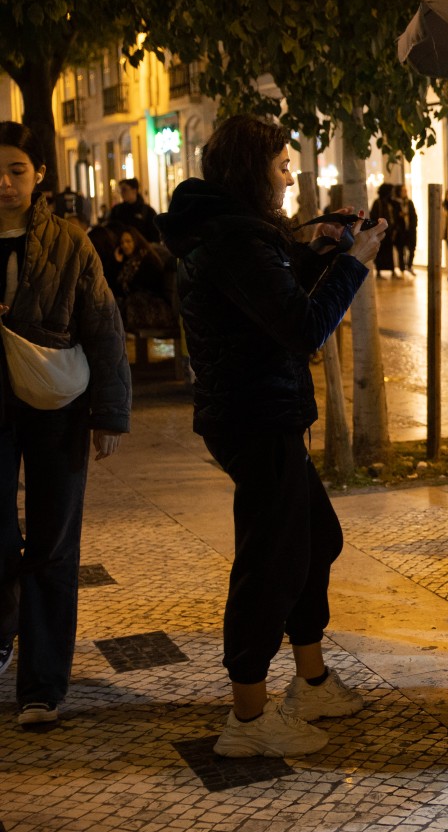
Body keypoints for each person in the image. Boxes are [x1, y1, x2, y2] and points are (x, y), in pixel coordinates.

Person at [158, 115, 386, 758]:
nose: (291, 177)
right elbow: (302, 325)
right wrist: (354, 264)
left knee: (316, 539)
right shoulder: (235, 238)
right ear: (251, 170)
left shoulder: (230, 229)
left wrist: (317, 248)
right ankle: (249, 718)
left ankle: (310, 682)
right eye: (282, 166)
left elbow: (268, 292)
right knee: (270, 562)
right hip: (254, 417)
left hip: (261, 412)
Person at [0, 122, 130, 728]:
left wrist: (110, 413)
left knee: (52, 544)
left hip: (58, 404)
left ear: (39, 175)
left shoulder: (69, 241)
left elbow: (103, 324)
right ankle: (4, 630)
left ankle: (42, 686)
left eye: (16, 171)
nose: (4, 184)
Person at [110, 228, 174, 330]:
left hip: (151, 306)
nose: (124, 245)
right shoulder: (128, 263)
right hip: (136, 304)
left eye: (128, 241)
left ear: (136, 241)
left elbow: (148, 287)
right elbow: (118, 288)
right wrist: (117, 263)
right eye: (122, 243)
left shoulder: (147, 259)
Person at [107, 178, 159, 243]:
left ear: (134, 190)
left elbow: (155, 235)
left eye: (124, 190)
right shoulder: (116, 210)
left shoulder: (147, 211)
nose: (122, 193)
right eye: (120, 190)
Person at [368, 184, 402, 277]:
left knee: (389, 251)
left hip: (390, 231)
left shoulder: (392, 203)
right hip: (381, 231)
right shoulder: (378, 203)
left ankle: (392, 270)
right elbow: (374, 216)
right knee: (380, 251)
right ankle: (379, 270)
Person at [395, 185, 419, 276]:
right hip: (401, 231)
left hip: (410, 230)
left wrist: (414, 226)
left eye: (406, 190)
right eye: (403, 190)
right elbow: (395, 217)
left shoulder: (409, 202)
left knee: (412, 249)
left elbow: (414, 215)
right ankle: (402, 269)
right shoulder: (396, 203)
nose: (405, 192)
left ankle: (409, 266)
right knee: (401, 251)